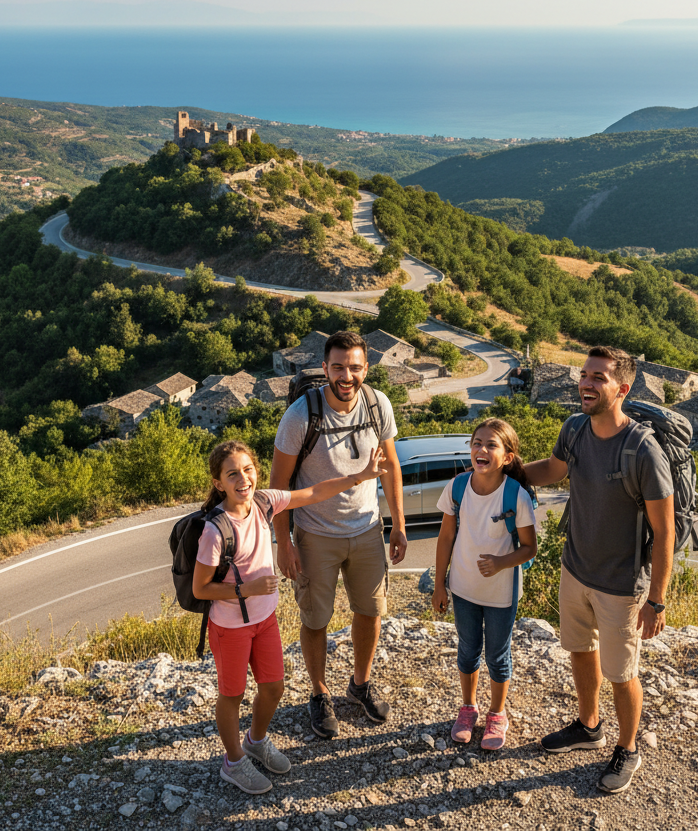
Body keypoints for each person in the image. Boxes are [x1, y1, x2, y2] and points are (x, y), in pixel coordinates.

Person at [192, 439, 388, 795]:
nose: (243, 479)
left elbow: (313, 492)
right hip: (230, 627)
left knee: (274, 688)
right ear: (219, 483)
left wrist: (360, 476)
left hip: (264, 620)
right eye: (232, 473)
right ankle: (233, 762)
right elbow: (200, 589)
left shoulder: (265, 502)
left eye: (248, 469)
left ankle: (256, 740)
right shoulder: (214, 530)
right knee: (232, 695)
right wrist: (245, 590)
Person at [523, 346, 675, 794]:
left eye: (598, 378)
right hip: (576, 570)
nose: (586, 384)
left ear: (622, 389)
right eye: (584, 375)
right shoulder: (574, 429)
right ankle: (589, 727)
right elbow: (553, 469)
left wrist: (657, 599)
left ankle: (628, 748)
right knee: (580, 650)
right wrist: (504, 473)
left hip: (621, 585)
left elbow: (664, 533)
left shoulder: (642, 450)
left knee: (622, 672)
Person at [270, 330, 406, 739]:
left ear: (366, 368)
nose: (347, 376)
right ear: (325, 367)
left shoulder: (378, 404)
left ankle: (359, 684)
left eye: (356, 367)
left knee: (371, 611)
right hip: (315, 534)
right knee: (316, 619)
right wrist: (284, 543)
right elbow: (279, 485)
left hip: (366, 528)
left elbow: (392, 467)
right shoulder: (300, 415)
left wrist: (397, 523)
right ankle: (319, 692)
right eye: (339, 367)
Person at [431, 419, 537, 751]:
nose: (482, 449)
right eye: (477, 443)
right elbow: (446, 536)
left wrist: (501, 563)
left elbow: (529, 547)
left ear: (507, 456)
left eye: (491, 445)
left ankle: (497, 713)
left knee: (497, 654)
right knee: (467, 650)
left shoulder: (514, 495)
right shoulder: (457, 486)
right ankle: (468, 708)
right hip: (462, 588)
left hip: (501, 592)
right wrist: (439, 585)